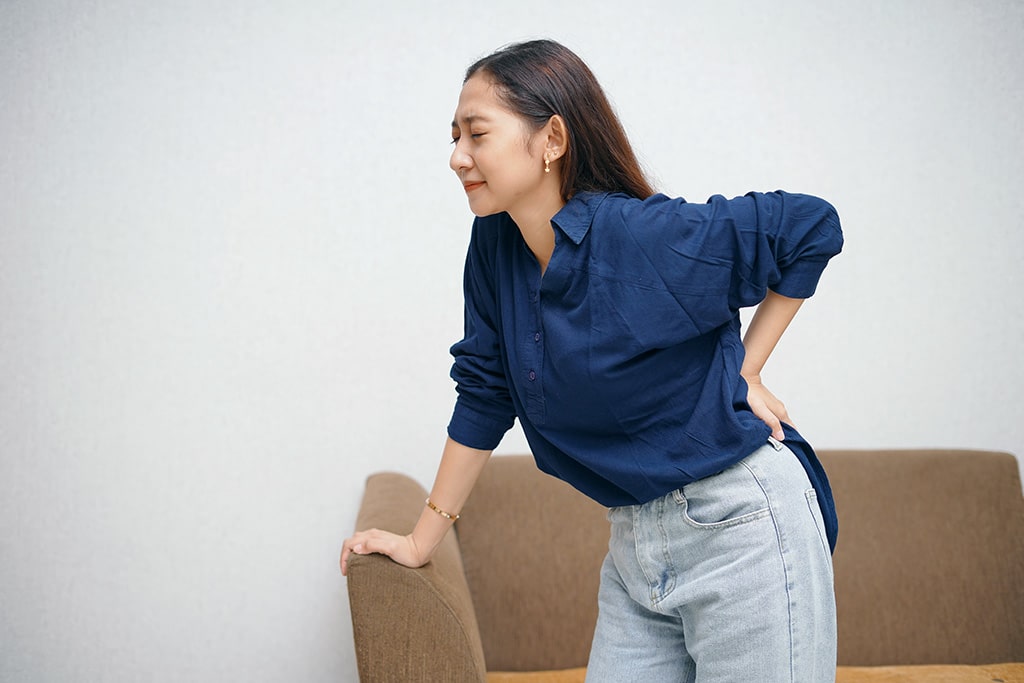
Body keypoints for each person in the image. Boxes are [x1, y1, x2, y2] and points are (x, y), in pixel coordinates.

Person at [341, 38, 843, 682]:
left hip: (740, 528)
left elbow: (809, 226)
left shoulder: (638, 235)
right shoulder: (496, 244)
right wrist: (418, 542)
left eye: (477, 134)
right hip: (636, 543)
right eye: (454, 136)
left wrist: (746, 371)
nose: (457, 156)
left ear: (551, 140)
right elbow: (486, 390)